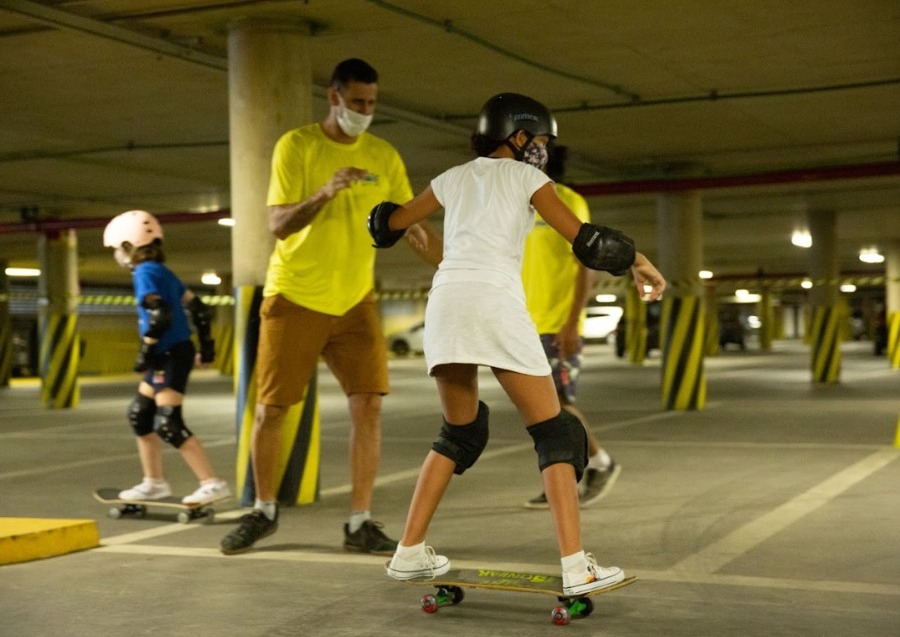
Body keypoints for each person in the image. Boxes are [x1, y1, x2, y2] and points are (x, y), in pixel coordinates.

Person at [368, 93, 665, 595]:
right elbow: (587, 241)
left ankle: (409, 553)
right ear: (520, 136)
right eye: (542, 140)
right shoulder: (530, 178)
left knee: (458, 434)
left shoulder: (451, 178)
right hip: (494, 302)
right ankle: (577, 568)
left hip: (446, 304)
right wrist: (639, 262)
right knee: (557, 433)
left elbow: (387, 223)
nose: (544, 151)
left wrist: (408, 223)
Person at [219, 58, 416, 556]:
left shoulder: (384, 155)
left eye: (371, 103)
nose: (365, 111)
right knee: (272, 409)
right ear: (334, 97)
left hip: (356, 298)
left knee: (368, 405)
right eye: (356, 103)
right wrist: (326, 192)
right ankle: (263, 510)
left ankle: (359, 522)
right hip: (296, 294)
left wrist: (447, 255)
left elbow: (408, 221)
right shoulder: (298, 145)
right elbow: (278, 224)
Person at [102, 209, 231, 506]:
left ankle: (212, 483)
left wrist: (145, 352)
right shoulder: (164, 272)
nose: (116, 257)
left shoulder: (144, 272)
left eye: (115, 250)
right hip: (172, 351)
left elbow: (159, 316)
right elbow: (199, 309)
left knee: (169, 424)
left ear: (126, 246)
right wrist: (207, 347)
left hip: (168, 354)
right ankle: (153, 483)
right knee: (141, 414)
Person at [521, 144, 621, 509]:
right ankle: (557, 483)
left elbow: (585, 267)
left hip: (556, 324)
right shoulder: (521, 205)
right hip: (525, 323)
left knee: (558, 404)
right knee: (539, 410)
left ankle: (599, 461)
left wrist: (571, 324)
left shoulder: (567, 201)